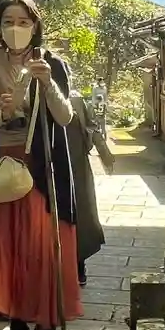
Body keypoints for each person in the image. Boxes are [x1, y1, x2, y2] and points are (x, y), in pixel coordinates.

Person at [0, 0, 83, 330]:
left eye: (24, 22)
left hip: (42, 164)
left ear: (35, 26)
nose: (16, 28)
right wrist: (0, 113)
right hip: (2, 162)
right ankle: (16, 326)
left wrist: (47, 84)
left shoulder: (50, 63)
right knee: (8, 243)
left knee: (41, 240)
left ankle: (46, 311)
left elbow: (65, 117)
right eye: (9, 22)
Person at [67, 87, 114, 286]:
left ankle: (78, 264)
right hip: (54, 165)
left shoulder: (75, 100)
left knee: (80, 214)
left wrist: (105, 153)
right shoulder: (32, 96)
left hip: (75, 164)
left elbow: (92, 127)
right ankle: (74, 266)